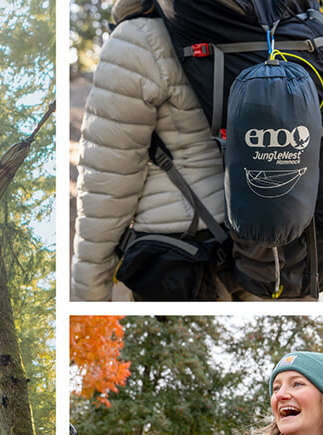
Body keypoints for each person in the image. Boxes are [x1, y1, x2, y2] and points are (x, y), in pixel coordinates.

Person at [71, 0, 227, 301]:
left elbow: (107, 181)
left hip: (179, 254)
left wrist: (90, 291)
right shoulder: (251, 25)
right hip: (257, 241)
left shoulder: (138, 39)